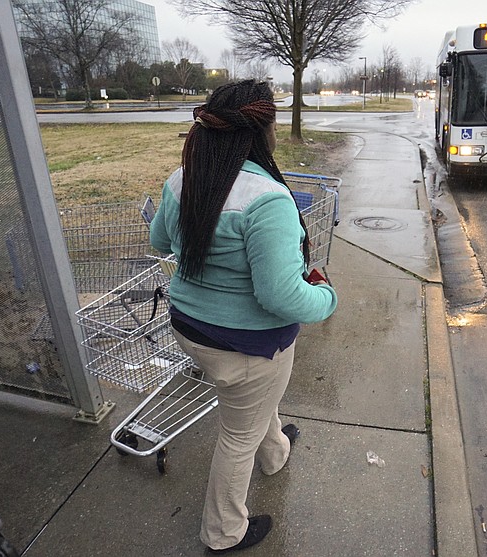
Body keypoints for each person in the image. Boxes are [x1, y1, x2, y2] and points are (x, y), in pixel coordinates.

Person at [149, 79, 338, 553]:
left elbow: (160, 242)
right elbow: (281, 296)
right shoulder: (267, 199)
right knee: (238, 437)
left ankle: (274, 452)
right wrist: (327, 299)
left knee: (252, 406)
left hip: (189, 328)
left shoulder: (182, 176)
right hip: (248, 345)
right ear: (263, 130)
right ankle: (222, 532)